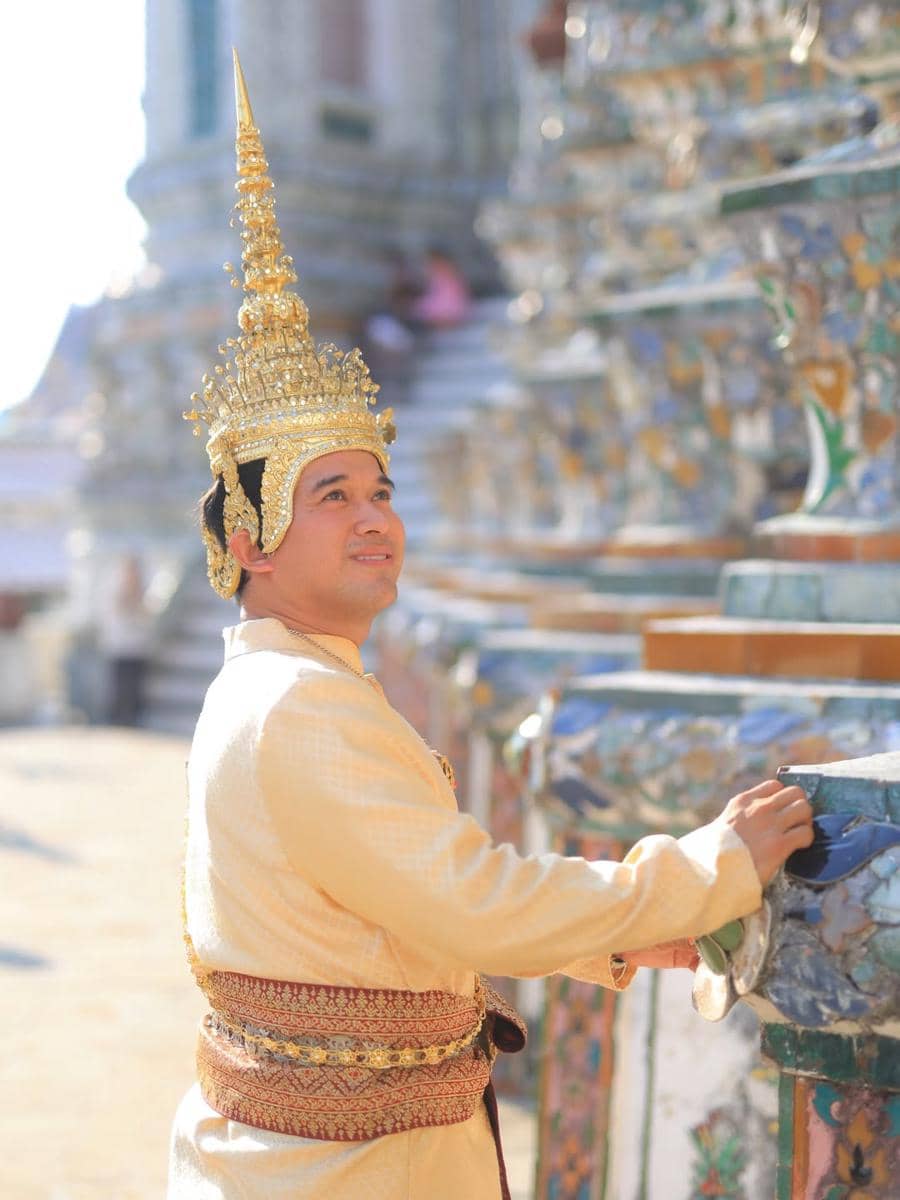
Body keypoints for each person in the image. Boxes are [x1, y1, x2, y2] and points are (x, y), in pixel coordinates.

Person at [168, 53, 814, 1200]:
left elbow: (396, 908)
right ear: (250, 545)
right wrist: (709, 869)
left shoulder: (275, 686)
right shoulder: (301, 708)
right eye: (334, 498)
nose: (377, 523)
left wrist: (609, 939)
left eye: (382, 494)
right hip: (352, 1172)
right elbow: (477, 899)